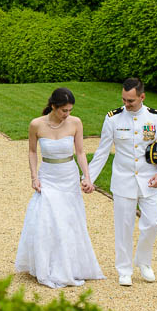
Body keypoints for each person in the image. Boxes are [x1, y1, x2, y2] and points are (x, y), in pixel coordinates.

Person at [83, 78, 157, 286]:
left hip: (150, 180)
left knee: (152, 223)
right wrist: (88, 178)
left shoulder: (156, 119)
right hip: (123, 181)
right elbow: (102, 152)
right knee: (123, 228)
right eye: (124, 99)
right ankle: (124, 269)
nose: (127, 104)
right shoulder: (113, 119)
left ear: (142, 97)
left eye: (131, 101)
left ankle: (143, 262)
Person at [15, 87, 105, 288]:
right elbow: (32, 151)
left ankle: (71, 265)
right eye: (64, 110)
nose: (67, 114)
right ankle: (46, 265)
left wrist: (87, 177)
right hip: (48, 176)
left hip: (69, 177)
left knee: (69, 220)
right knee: (48, 219)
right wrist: (34, 176)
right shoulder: (36, 125)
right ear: (53, 107)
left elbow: (80, 152)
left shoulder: (75, 123)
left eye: (70, 110)